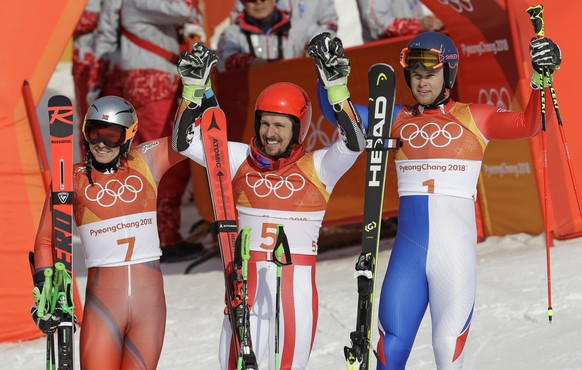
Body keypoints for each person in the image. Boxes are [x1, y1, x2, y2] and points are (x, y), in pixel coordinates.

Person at [318, 31, 561, 369]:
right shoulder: (396, 116)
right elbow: (339, 117)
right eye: (416, 75)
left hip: (453, 257)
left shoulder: (475, 117)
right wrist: (330, 81)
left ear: (448, 74)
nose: (421, 82)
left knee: (447, 352)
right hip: (408, 255)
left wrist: (541, 77)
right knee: (390, 353)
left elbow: (530, 123)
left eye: (430, 74)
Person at [173, 36, 365, 369]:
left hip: (295, 300)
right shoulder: (237, 159)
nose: (269, 133)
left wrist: (337, 91)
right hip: (241, 293)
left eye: (279, 125)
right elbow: (183, 142)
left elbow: (354, 143)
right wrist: (193, 92)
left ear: (298, 128)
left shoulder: (319, 167)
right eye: (264, 123)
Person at [30, 96, 190, 368]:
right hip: (103, 308)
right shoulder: (71, 178)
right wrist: (47, 288)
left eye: (111, 136)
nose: (101, 144)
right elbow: (46, 240)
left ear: (128, 136)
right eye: (94, 133)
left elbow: (185, 142)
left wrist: (193, 91)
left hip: (148, 310)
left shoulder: (146, 161)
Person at [114, 0, 205, 261]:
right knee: (165, 161)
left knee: (159, 160)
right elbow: (183, 9)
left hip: (157, 83)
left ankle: (159, 234)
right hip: (153, 86)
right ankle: (163, 238)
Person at [217, 0, 338, 71]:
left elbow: (326, 38)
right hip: (252, 97)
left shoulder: (296, 26)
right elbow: (224, 60)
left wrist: (314, 49)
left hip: (295, 90)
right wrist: (249, 62)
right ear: (243, 3)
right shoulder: (232, 34)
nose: (259, 2)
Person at [356, 0, 443, 42]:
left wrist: (433, 21)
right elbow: (376, 22)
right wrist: (417, 25)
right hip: (388, 55)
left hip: (414, 49)